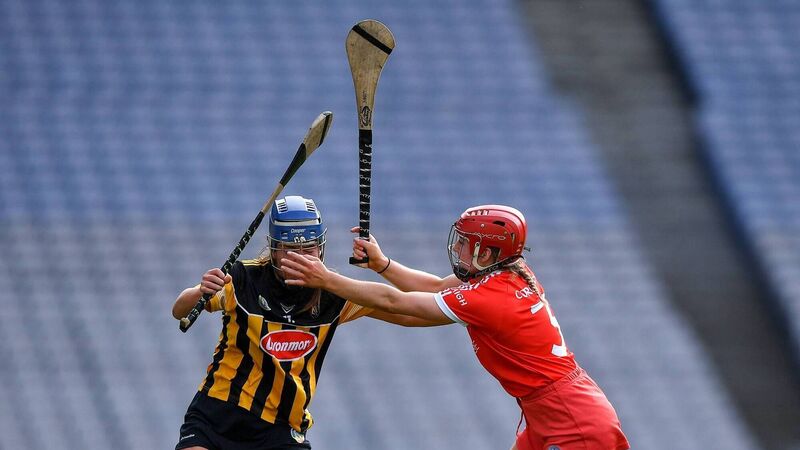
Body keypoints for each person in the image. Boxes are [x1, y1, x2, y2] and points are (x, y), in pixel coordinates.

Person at [281, 204, 630, 450]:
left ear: (486, 253)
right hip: (553, 410)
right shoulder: (508, 272)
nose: (457, 248)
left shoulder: (489, 297)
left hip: (571, 421)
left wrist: (327, 280)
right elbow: (434, 287)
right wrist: (383, 265)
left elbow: (396, 303)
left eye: (465, 243)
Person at [172, 195, 439, 450]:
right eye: (289, 249)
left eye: (308, 248)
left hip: (280, 428)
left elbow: (409, 313)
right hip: (217, 414)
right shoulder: (243, 279)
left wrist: (453, 310)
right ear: (274, 248)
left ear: (321, 247)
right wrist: (200, 291)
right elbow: (180, 309)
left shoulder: (335, 294)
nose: (300, 257)